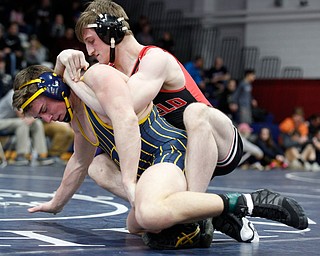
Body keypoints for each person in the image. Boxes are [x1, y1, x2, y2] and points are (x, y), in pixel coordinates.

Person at [52, 0, 306, 248]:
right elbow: (76, 106)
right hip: (176, 155)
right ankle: (206, 211)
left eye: (91, 41)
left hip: (215, 145)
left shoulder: (153, 59)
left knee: (195, 113)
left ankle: (191, 215)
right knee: (125, 204)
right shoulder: (108, 70)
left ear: (111, 33)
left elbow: (123, 107)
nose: (89, 52)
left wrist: (75, 80)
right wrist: (63, 61)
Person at [12, 64, 308, 251]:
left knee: (150, 215)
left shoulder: (95, 78)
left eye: (43, 110)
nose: (48, 119)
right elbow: (78, 162)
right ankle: (210, 216)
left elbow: (124, 120)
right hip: (150, 167)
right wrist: (55, 204)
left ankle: (251, 201)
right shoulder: (77, 120)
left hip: (166, 151)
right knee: (105, 177)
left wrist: (129, 181)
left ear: (53, 87)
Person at [0, 89, 54, 165]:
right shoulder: (13, 94)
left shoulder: (28, 96)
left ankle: (41, 155)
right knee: (23, 123)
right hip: (2, 121)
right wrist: (34, 117)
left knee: (37, 123)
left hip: (12, 121)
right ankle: (21, 155)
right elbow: (21, 115)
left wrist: (34, 118)